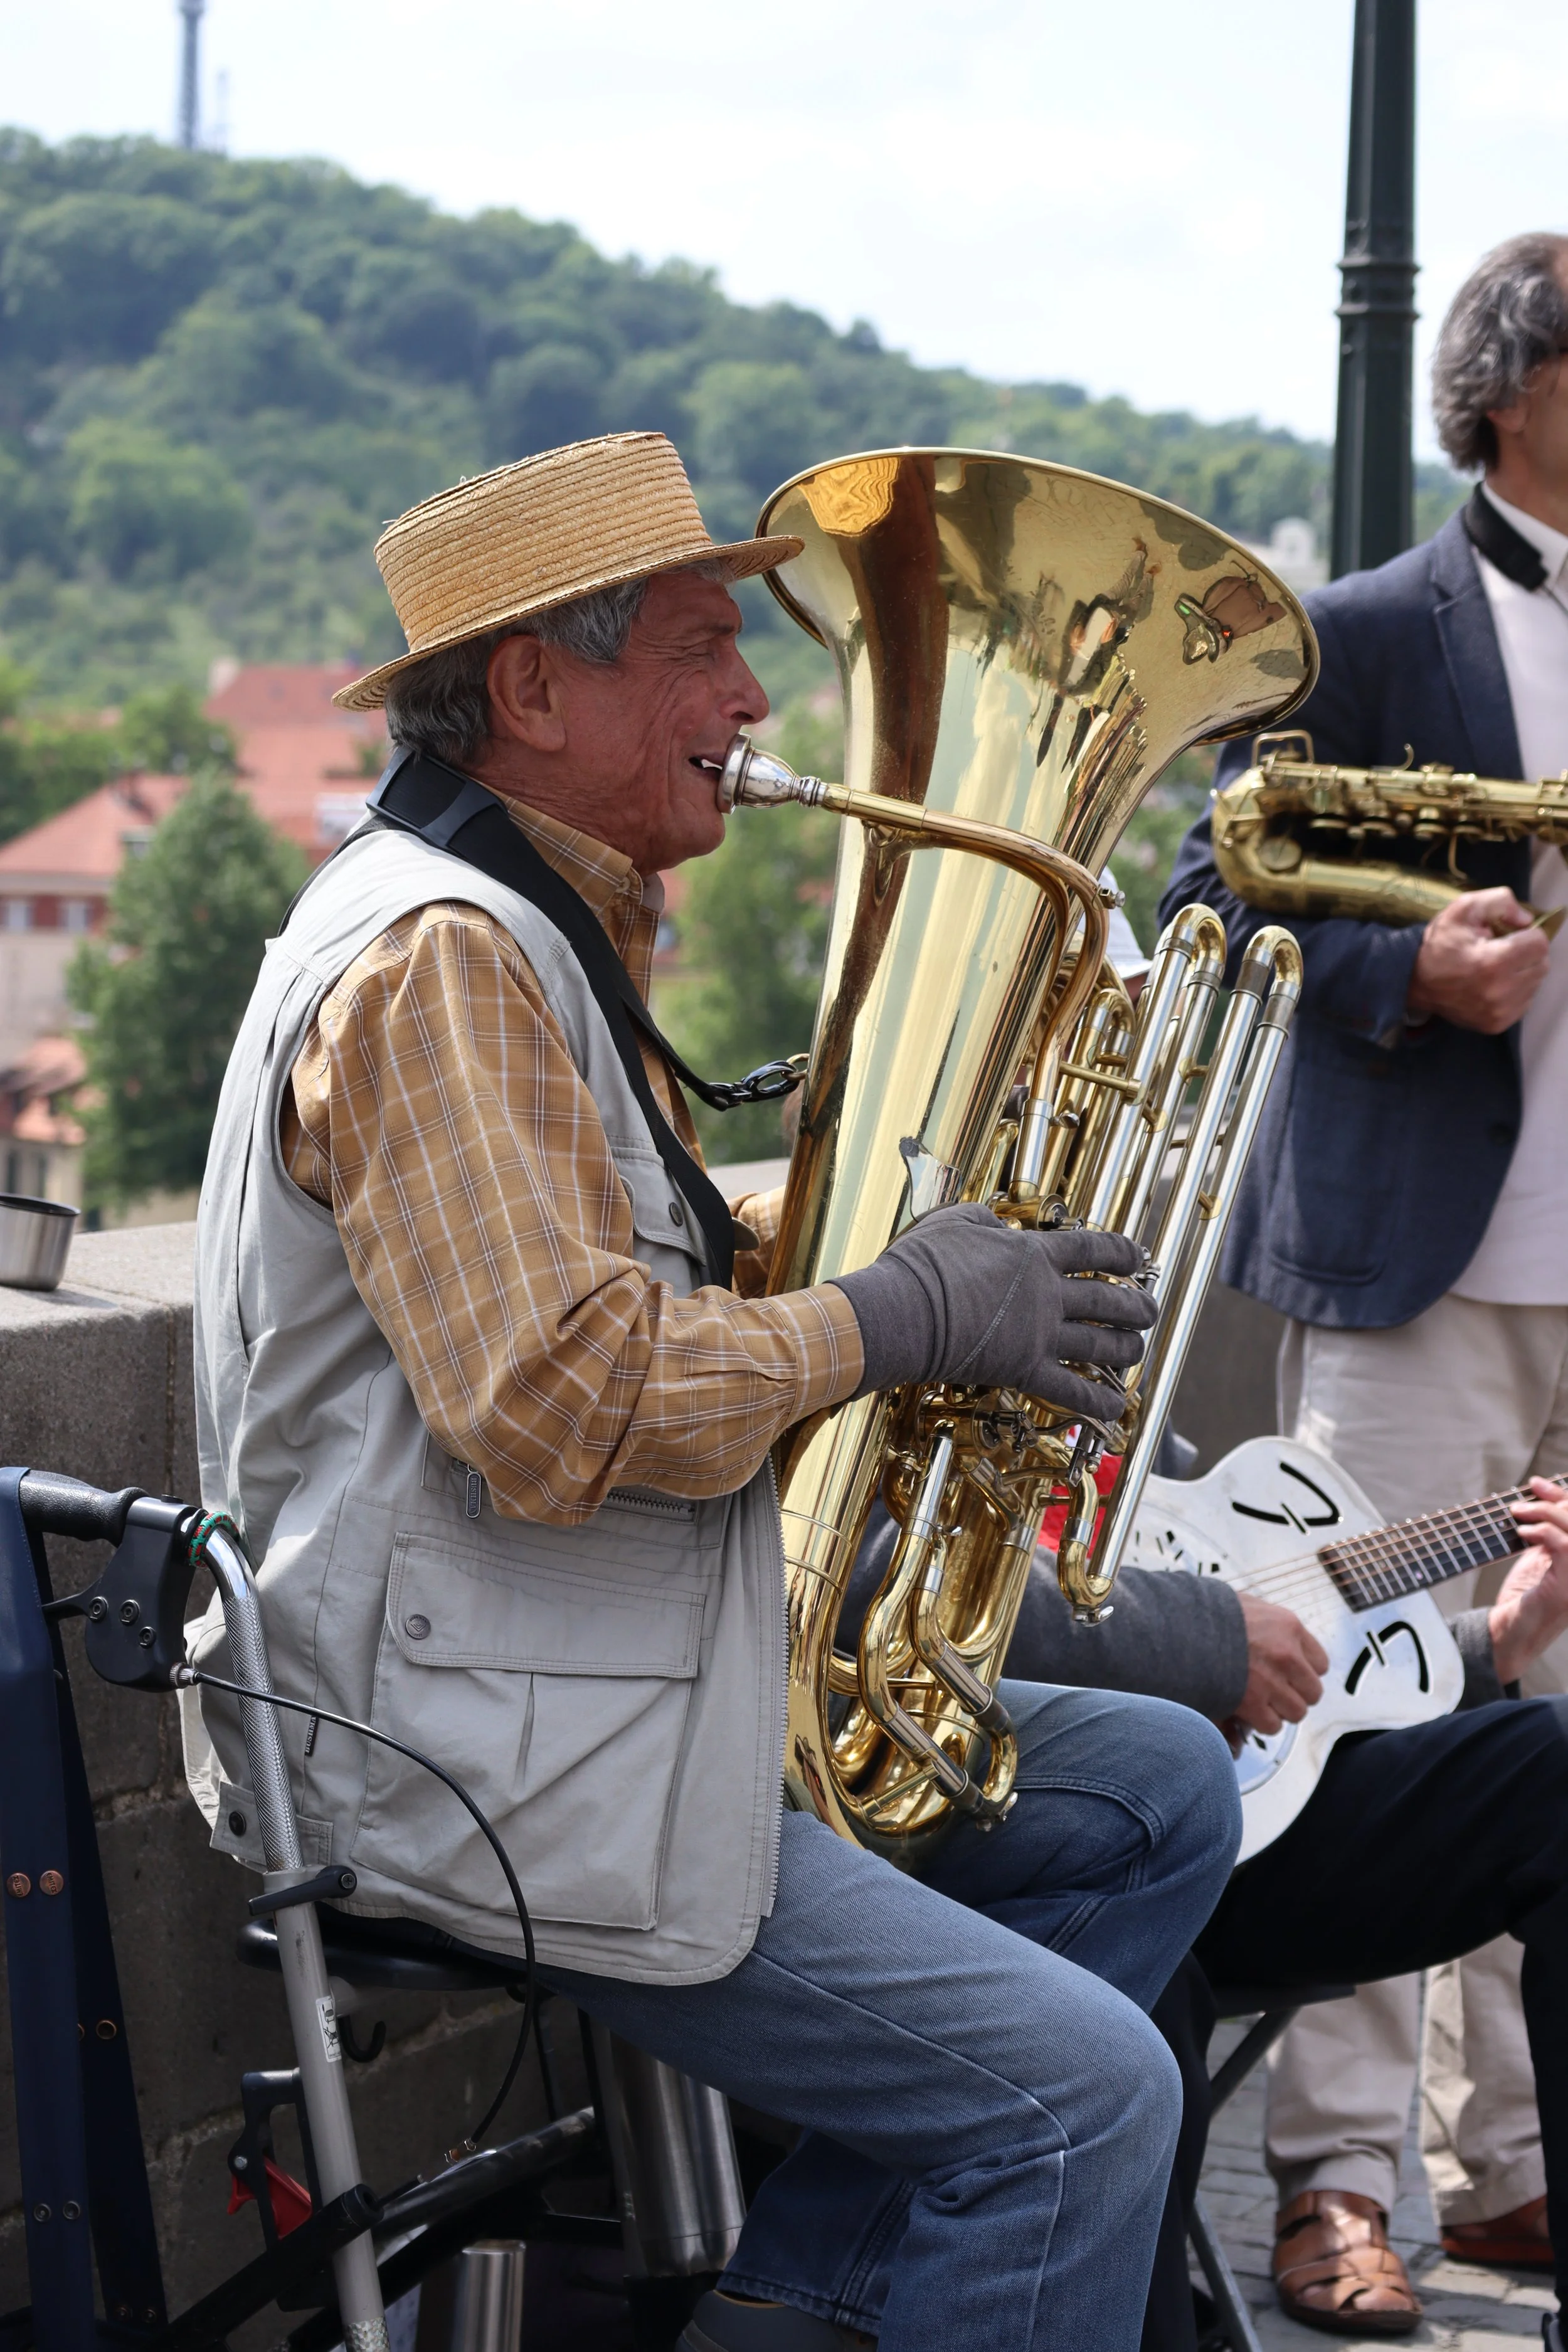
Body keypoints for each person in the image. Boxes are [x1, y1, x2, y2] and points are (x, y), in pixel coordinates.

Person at [184, 431, 1242, 2352]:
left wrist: (895, 1242)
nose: (757, 696)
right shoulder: (442, 960)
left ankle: (798, 2314)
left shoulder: (520, 919)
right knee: (1085, 2099)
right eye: (696, 647)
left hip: (566, 1692)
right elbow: (561, 1399)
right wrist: (903, 1310)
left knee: (1160, 1785)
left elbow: (572, 1269)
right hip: (474, 1763)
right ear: (530, 686)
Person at [1157, 231, 1568, 2329]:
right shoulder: (1366, 630)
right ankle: (1338, 2193)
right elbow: (1191, 894)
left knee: (1554, 1730)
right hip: (1424, 1272)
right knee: (1365, 1717)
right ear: (1515, 394)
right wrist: (1407, 967)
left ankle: (1516, 2174)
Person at [964, 1483, 1568, 2352]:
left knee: (1558, 1768)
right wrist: (1205, 1640)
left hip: (1237, 1828)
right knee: (1129, 1977)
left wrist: (1495, 1645)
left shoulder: (1126, 1397)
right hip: (1019, 1826)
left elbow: (1278, 1684)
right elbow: (878, 1585)